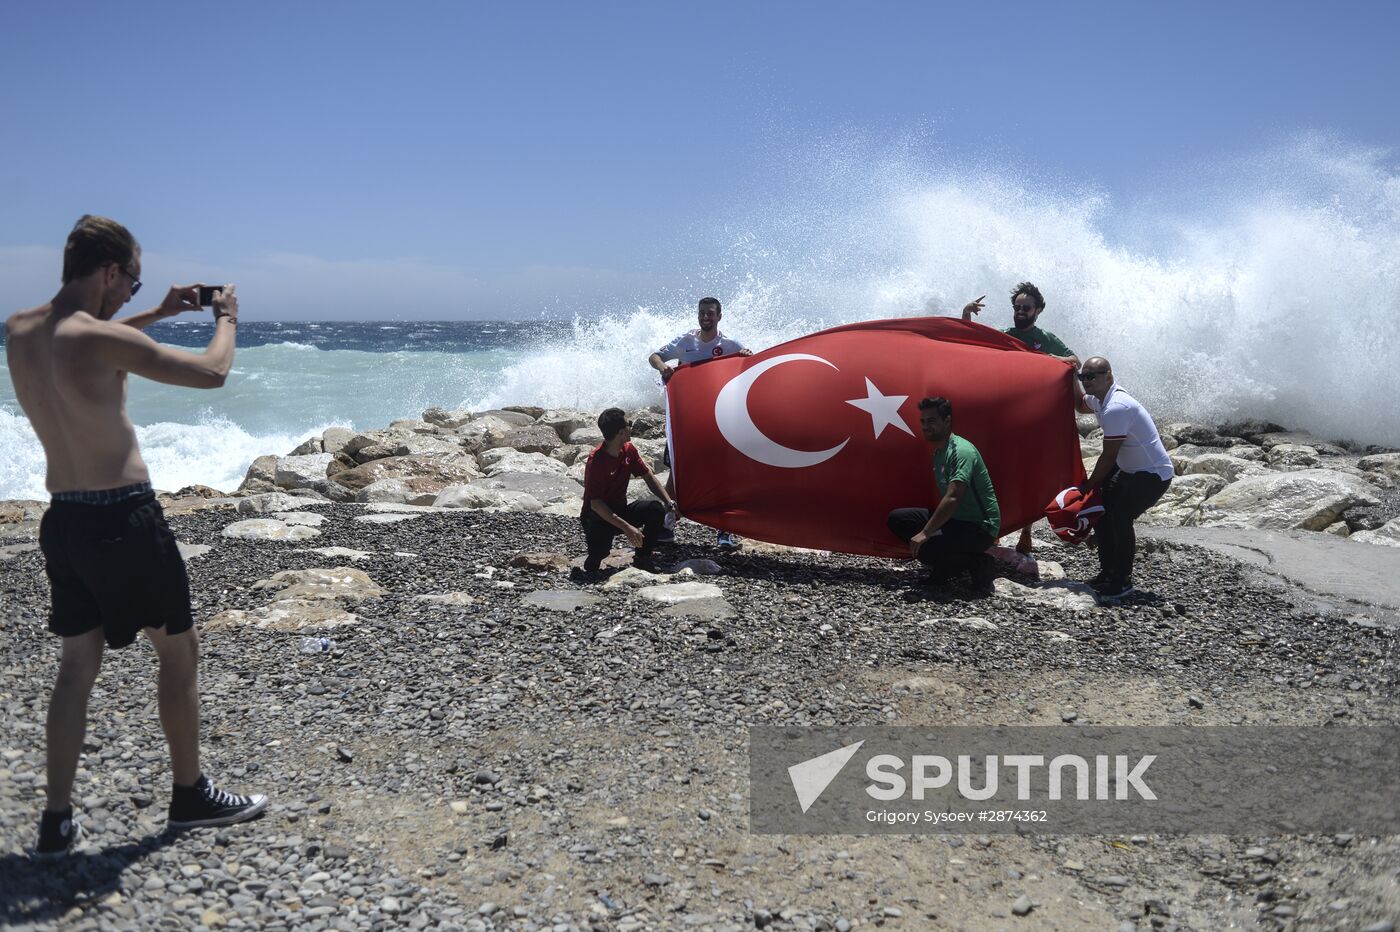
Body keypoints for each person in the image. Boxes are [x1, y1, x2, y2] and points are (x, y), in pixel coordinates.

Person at [5, 216, 266, 858]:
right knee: (179, 653)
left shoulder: (20, 330)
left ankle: (56, 823)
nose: (128, 295)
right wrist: (226, 319)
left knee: (76, 666)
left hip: (63, 521)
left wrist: (158, 311)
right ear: (109, 271)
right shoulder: (101, 338)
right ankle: (190, 795)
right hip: (124, 519)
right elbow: (212, 373)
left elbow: (86, 338)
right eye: (131, 283)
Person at [962, 281, 1079, 555]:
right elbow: (969, 342)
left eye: (1026, 307)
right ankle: (994, 528)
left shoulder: (1045, 338)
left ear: (1038, 310)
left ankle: (1026, 532)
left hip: (1033, 419)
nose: (1021, 311)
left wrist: (1053, 359)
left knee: (1028, 475)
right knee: (995, 472)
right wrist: (966, 314)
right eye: (1017, 307)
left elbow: (1075, 360)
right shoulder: (1006, 335)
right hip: (1004, 415)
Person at [647, 296, 752, 549]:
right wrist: (662, 367)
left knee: (723, 474)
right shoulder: (686, 341)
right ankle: (666, 525)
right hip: (685, 419)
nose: (706, 317)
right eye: (702, 312)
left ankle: (725, 532)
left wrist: (747, 356)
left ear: (719, 316)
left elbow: (750, 367)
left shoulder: (730, 344)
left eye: (710, 313)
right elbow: (654, 356)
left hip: (719, 419)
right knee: (677, 473)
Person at [1073, 357, 1174, 600]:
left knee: (1120, 518)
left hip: (1153, 474)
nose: (1087, 381)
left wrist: (1090, 485)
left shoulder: (1117, 407)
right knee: (1102, 512)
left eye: (1091, 376)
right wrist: (1070, 372)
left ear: (1108, 375)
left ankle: (1122, 580)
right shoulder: (1101, 399)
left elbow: (1108, 456)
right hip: (1128, 469)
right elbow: (1079, 405)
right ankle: (1107, 572)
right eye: (1083, 377)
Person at [886, 397, 1001, 596]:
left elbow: (953, 497)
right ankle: (951, 564)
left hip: (980, 527)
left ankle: (976, 562)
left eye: (931, 421)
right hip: (956, 520)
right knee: (899, 519)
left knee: (926, 542)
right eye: (923, 421)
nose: (925, 426)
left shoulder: (960, 451)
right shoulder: (940, 451)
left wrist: (925, 533)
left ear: (947, 421)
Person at [577, 407, 676, 579]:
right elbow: (596, 504)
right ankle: (594, 557)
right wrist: (627, 528)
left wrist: (669, 502)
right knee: (598, 555)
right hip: (597, 518)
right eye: (629, 424)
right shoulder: (596, 461)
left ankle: (642, 557)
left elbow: (648, 476)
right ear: (621, 432)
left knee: (655, 509)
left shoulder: (628, 450)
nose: (631, 427)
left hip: (620, 510)